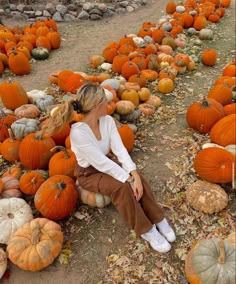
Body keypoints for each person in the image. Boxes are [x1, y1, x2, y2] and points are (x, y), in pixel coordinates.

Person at [41, 83, 176, 253]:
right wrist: (129, 179)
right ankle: (146, 230)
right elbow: (99, 163)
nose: (108, 104)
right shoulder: (78, 133)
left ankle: (158, 218)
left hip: (108, 162)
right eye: (105, 101)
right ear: (97, 106)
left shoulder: (108, 121)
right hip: (89, 173)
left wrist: (134, 173)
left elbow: (119, 150)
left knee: (139, 177)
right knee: (122, 188)